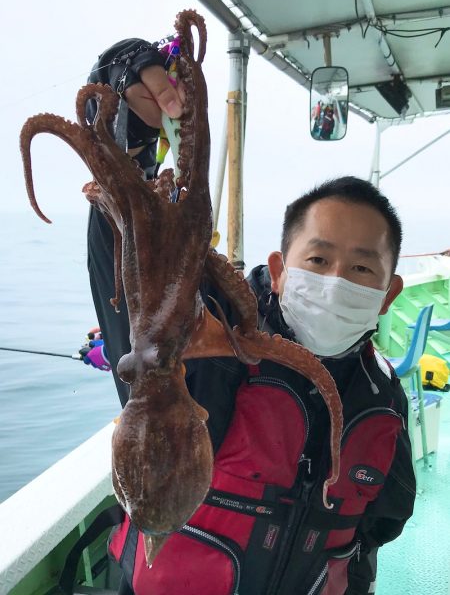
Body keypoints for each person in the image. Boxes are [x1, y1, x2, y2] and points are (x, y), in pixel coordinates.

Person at [84, 37, 416, 595]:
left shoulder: (382, 399)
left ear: (388, 294)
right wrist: (131, 131)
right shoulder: (200, 348)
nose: (335, 280)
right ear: (279, 270)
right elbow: (125, 262)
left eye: (362, 269)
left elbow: (374, 530)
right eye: (318, 259)